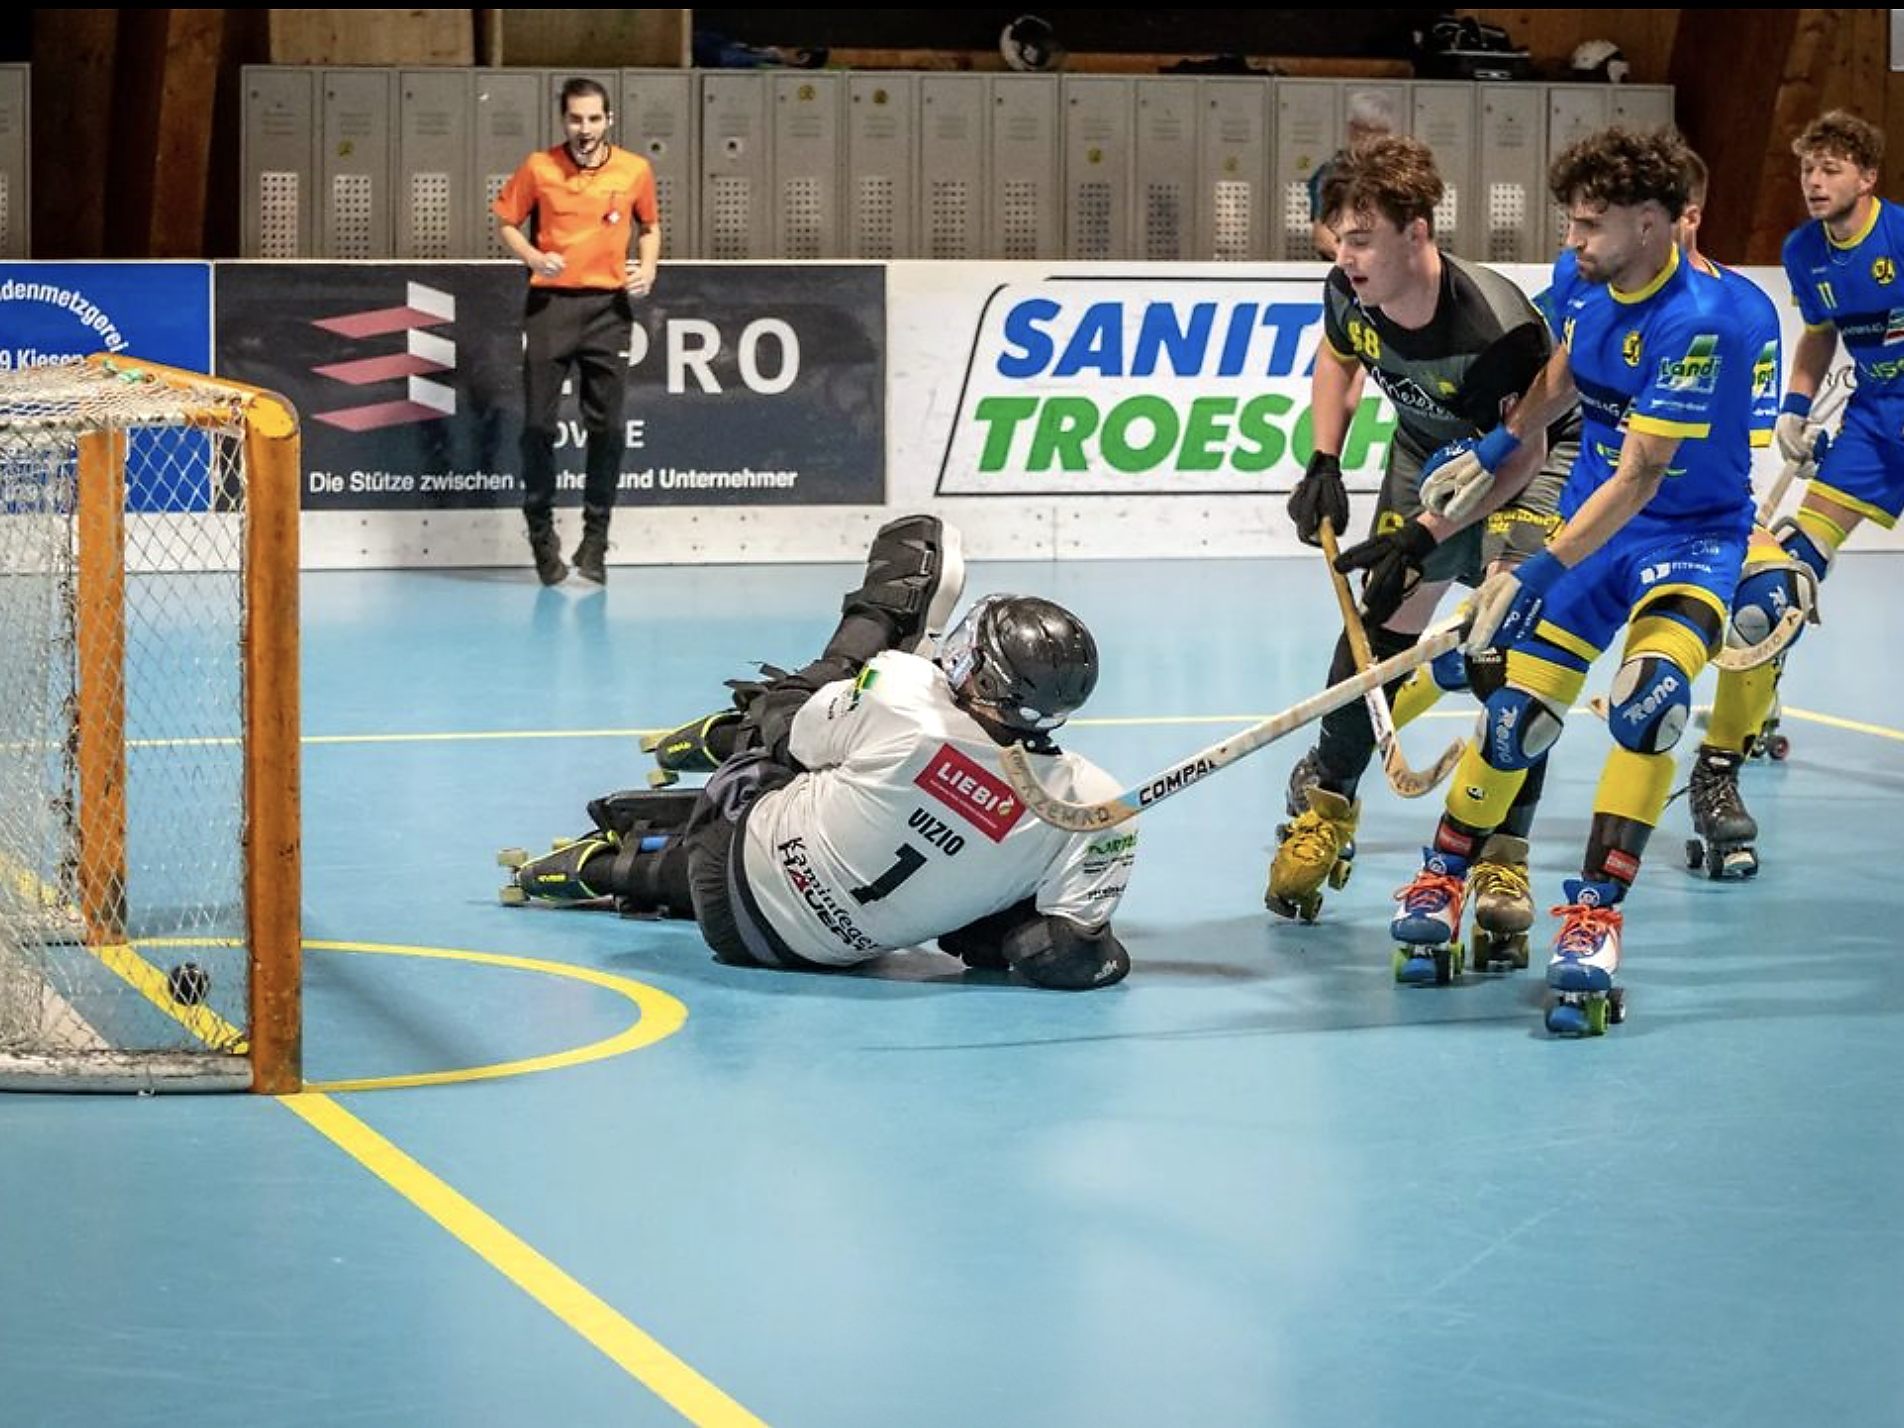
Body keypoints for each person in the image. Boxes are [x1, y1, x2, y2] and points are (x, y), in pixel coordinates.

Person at [1396, 125, 1757, 1034]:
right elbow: (1566, 375)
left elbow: (1640, 477)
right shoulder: (1588, 285)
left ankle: (1595, 913)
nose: (1571, 241)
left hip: (1687, 536)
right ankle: (1444, 873)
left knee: (1650, 704)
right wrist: (1494, 447)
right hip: (1594, 531)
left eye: (1590, 224)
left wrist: (1539, 567)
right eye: (1570, 221)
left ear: (1653, 224)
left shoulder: (1701, 323)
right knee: (1516, 719)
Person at [497, 517, 1138, 990]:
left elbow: (792, 735)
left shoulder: (905, 697)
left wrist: (879, 664)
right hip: (815, 952)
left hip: (726, 852)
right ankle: (610, 867)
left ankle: (744, 716)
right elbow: (1064, 960)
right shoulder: (1092, 803)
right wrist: (1082, 931)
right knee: (1002, 891)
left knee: (796, 711)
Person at [1271, 134, 1574, 973]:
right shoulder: (1350, 291)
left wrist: (1426, 537)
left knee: (1512, 643)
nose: (1346, 254)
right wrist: (1323, 459)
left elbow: (1518, 451)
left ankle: (1504, 852)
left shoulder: (1495, 326)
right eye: (1339, 237)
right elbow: (1339, 361)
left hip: (1538, 458)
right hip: (1427, 450)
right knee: (1381, 625)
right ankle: (1328, 799)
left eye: (1363, 237)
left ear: (1418, 232)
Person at [1692, 110, 1901, 873]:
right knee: (1781, 581)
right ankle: (1733, 742)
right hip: (1873, 431)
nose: (1815, 182)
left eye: (1832, 169)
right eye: (1808, 169)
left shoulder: (1901, 237)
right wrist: (1793, 406)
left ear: (1867, 177)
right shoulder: (1802, 251)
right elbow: (1819, 330)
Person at [1666, 150, 1789, 880]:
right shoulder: (1581, 296)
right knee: (1486, 638)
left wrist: (1750, 526)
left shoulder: (1746, 310)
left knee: (1771, 601)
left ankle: (1716, 775)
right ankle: (1343, 759)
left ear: (1692, 216)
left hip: (1704, 517)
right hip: (1593, 511)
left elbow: (1742, 444)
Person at [493, 78, 661, 586]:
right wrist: (532, 256)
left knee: (607, 429)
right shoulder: (539, 167)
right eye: (575, 119)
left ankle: (595, 540)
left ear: (608, 119)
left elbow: (649, 227)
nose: (584, 129)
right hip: (550, 307)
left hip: (608, 310)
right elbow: (504, 220)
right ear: (563, 121)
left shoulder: (635, 170)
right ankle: (542, 538)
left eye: (593, 119)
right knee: (539, 428)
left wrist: (648, 268)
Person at [1310, 91, 1400, 260]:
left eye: (1380, 132)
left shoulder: (1398, 173)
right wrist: (1359, 261)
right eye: (1365, 130)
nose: (1372, 139)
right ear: (1352, 129)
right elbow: (1323, 237)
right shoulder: (1333, 172)